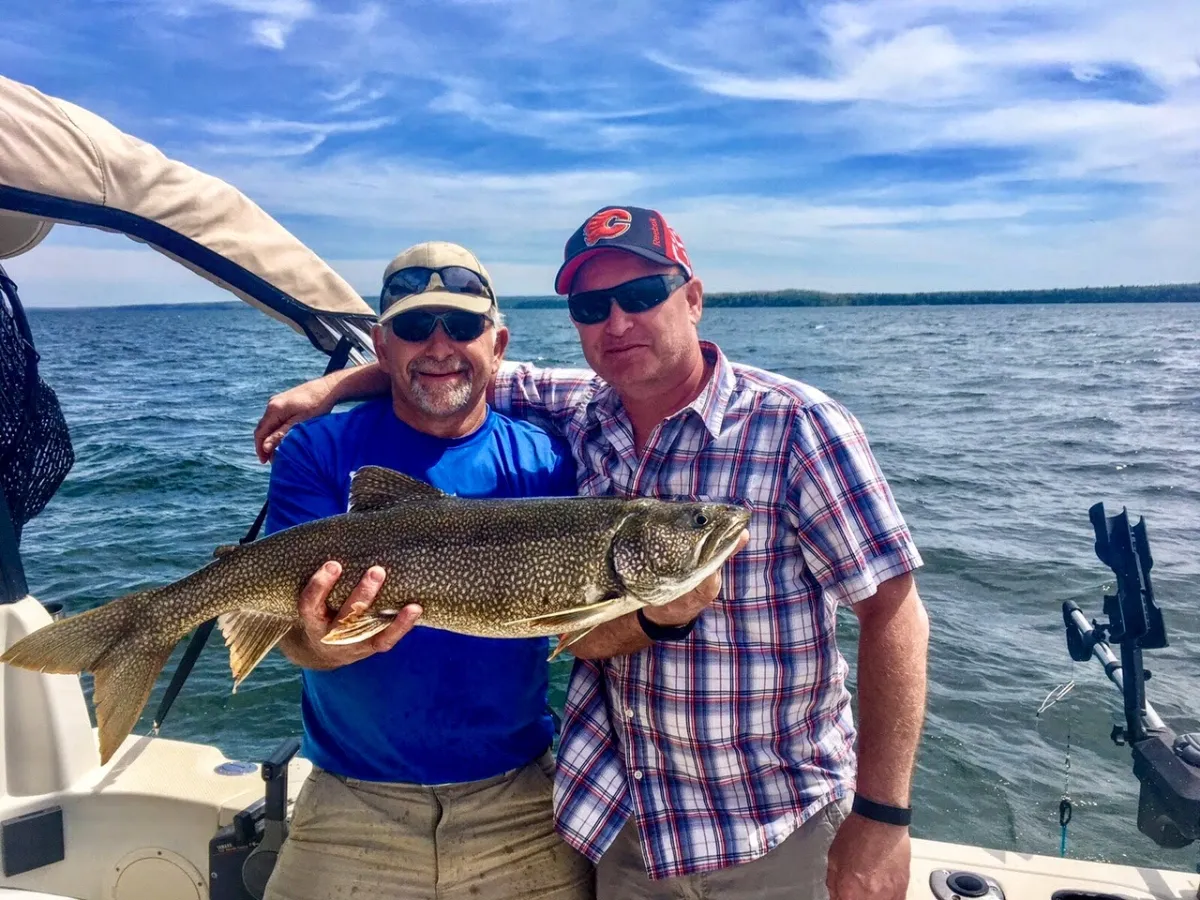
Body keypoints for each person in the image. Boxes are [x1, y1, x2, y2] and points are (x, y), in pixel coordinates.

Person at [257, 209, 930, 900]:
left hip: (775, 824)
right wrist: (331, 390)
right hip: (629, 826)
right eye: (591, 305)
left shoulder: (799, 424)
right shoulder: (587, 415)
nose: (617, 322)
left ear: (693, 299)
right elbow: (438, 372)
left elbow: (894, 614)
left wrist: (882, 817)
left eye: (641, 296)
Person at [259, 240, 594, 900]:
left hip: (520, 801)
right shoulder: (318, 449)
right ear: (383, 350)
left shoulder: (551, 463)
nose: (439, 347)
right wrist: (324, 642)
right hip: (351, 802)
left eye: (463, 327)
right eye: (414, 329)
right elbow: (292, 638)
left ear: (498, 344)